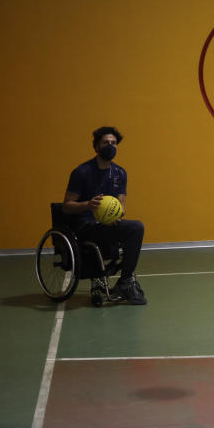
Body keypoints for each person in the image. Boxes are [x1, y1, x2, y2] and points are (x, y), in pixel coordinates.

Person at [63, 126, 147, 305]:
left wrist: (119, 213)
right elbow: (67, 206)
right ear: (96, 147)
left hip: (107, 225)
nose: (110, 146)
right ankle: (122, 282)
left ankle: (125, 282)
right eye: (106, 143)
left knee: (137, 227)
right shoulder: (82, 172)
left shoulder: (120, 173)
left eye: (114, 143)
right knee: (129, 230)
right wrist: (87, 204)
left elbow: (121, 204)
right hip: (86, 226)